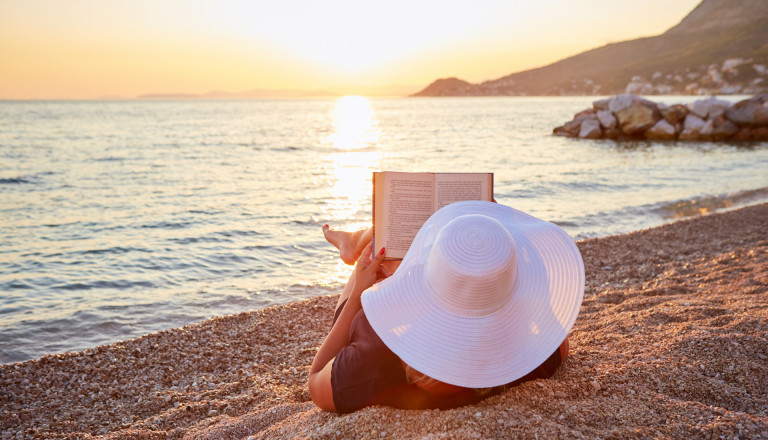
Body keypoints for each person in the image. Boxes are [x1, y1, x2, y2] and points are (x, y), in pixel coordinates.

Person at [308, 201, 584, 413]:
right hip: (466, 320)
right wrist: (497, 245)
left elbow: (316, 377)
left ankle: (358, 241)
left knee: (380, 255)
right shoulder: (524, 360)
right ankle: (363, 240)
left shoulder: (366, 366)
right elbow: (561, 343)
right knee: (449, 260)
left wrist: (358, 290)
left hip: (375, 325)